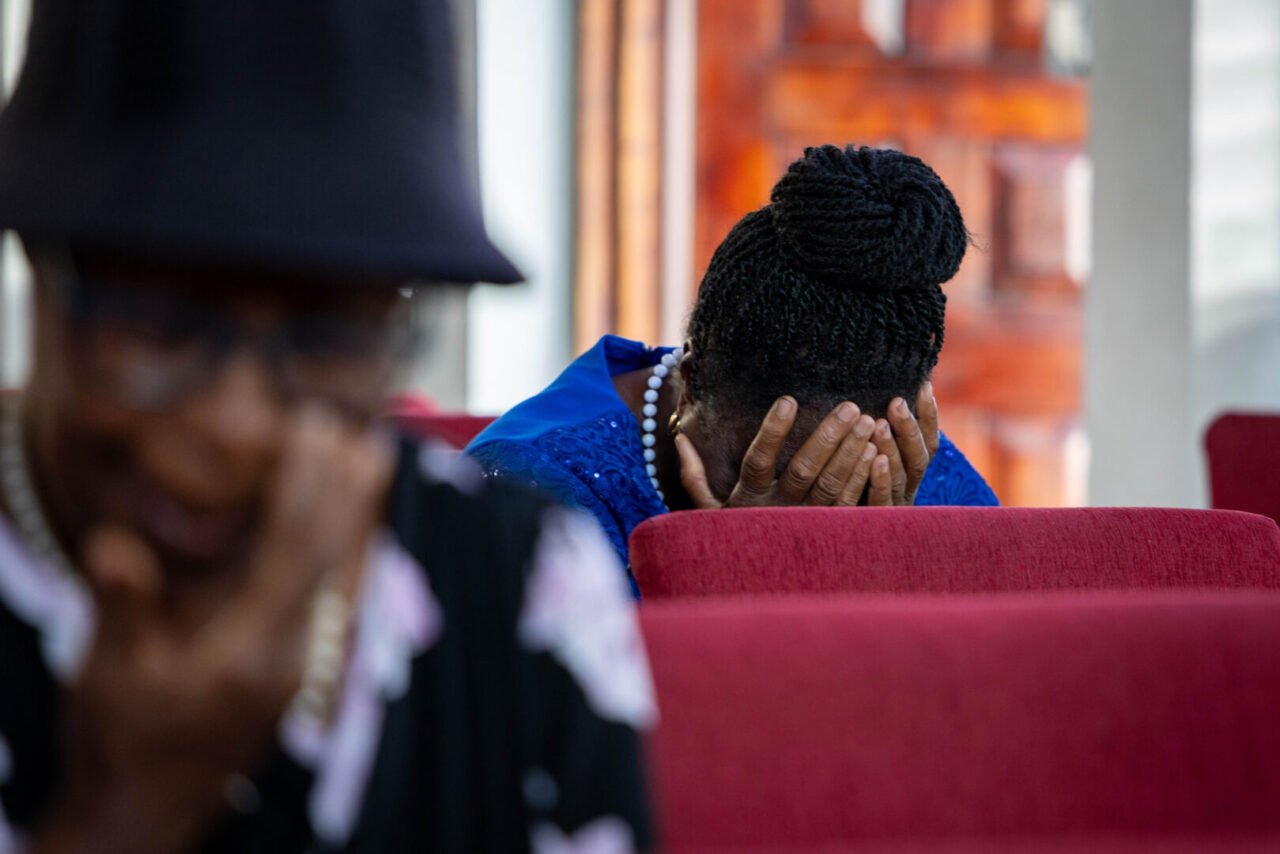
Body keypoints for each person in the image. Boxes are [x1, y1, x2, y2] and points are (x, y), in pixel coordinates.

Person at [0, 2, 653, 851]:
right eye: (159, 322)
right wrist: (130, 812)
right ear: (41, 274)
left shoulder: (523, 586)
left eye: (332, 334)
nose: (234, 426)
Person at [468, 144, 998, 581]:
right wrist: (744, 568)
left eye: (844, 484)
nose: (819, 509)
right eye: (754, 468)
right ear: (692, 381)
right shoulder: (526, 493)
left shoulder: (897, 462)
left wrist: (892, 556)